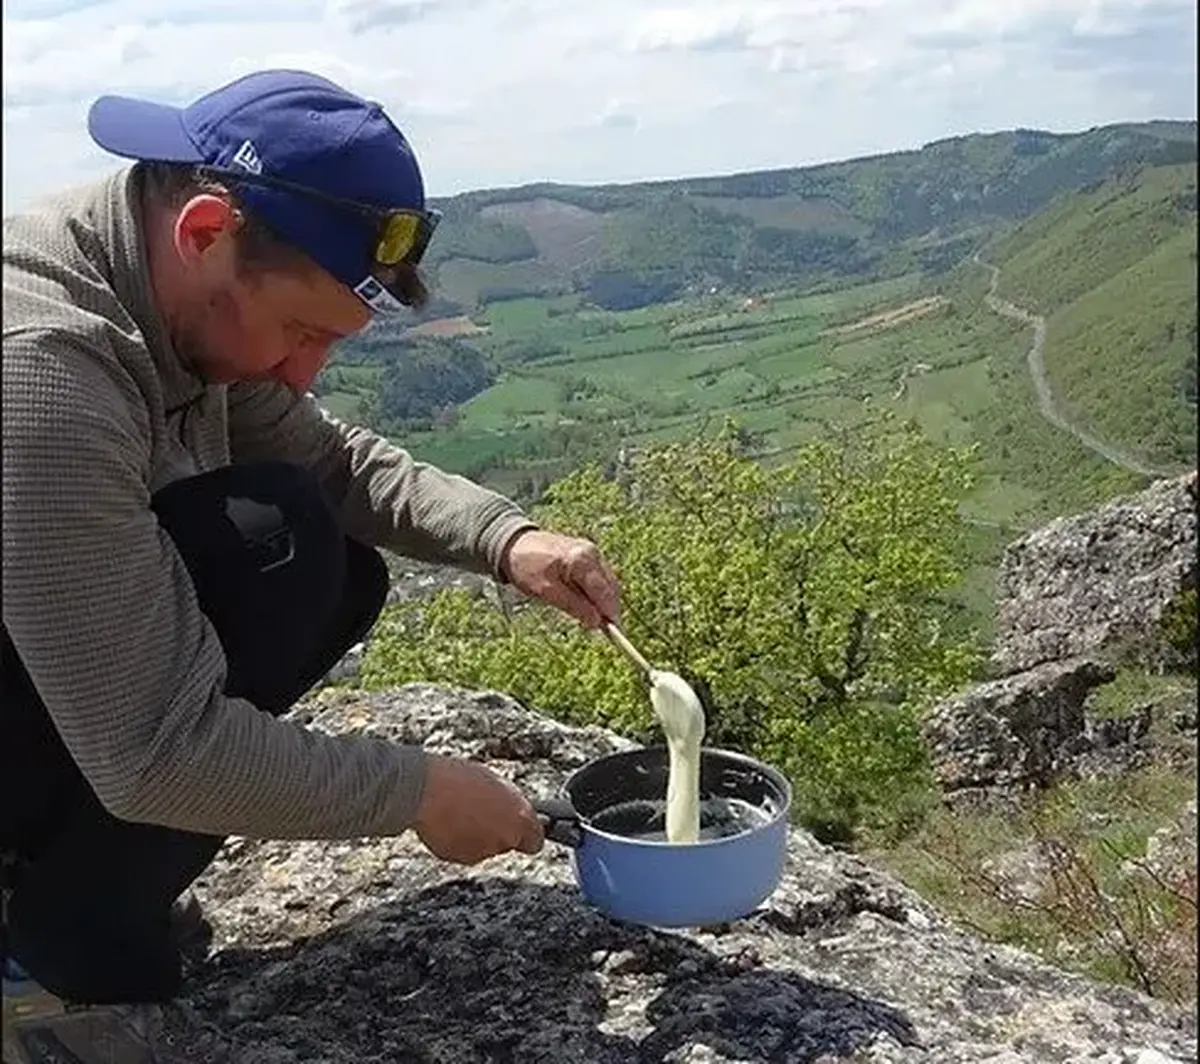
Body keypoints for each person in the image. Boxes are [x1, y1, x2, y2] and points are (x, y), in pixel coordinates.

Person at [1, 69, 622, 1062]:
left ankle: (69, 897)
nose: (303, 372)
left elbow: (329, 463)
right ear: (205, 231)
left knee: (310, 550)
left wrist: (507, 538)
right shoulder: (45, 366)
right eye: (301, 332)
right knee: (276, 546)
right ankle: (35, 961)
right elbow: (156, 749)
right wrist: (418, 791)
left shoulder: (167, 290)